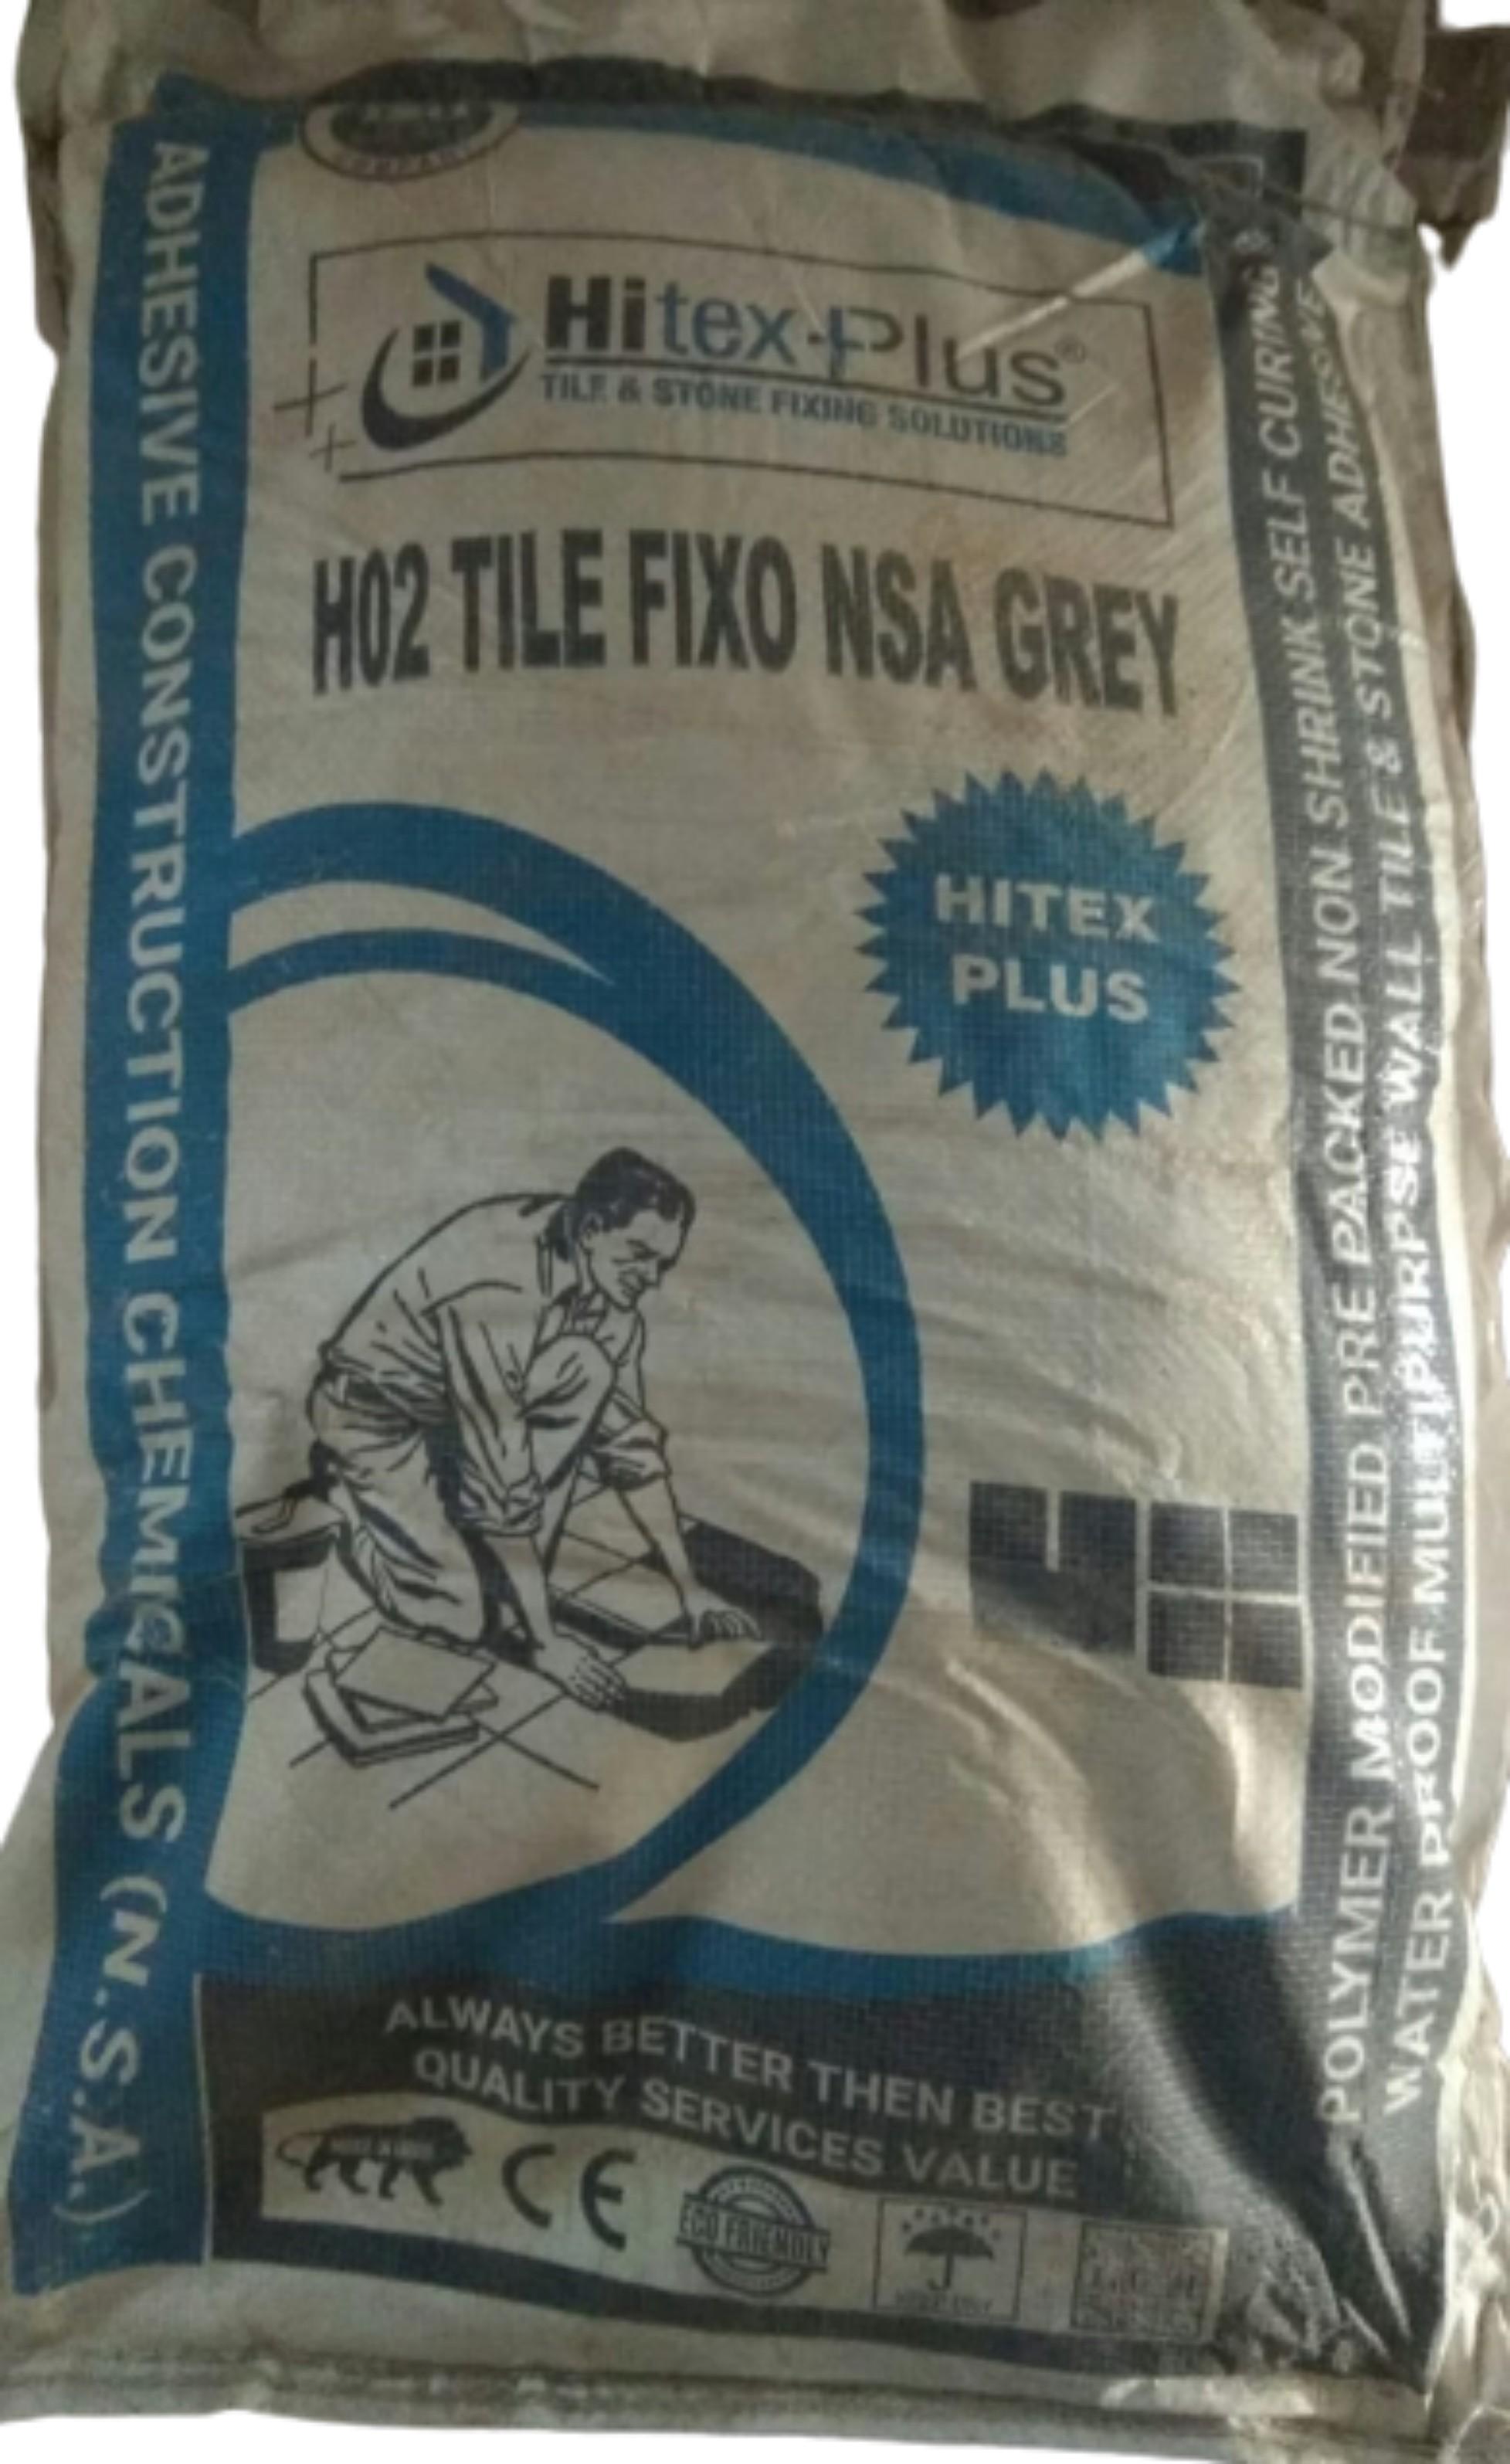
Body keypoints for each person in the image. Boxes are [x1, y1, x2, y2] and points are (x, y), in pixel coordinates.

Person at [306, 1149, 755, 1711]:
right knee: (461, 1616)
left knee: (589, 1369)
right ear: (591, 1231)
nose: (651, 1280)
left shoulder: (610, 1295)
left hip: (454, 1414)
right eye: (640, 1255)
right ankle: (344, 1504)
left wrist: (688, 1589)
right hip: (375, 1417)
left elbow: (630, 1448)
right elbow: (498, 1468)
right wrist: (547, 1644)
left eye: (663, 1264)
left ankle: (474, 1546)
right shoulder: (498, 1287)